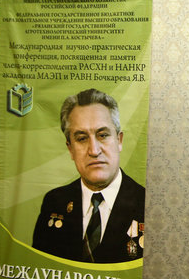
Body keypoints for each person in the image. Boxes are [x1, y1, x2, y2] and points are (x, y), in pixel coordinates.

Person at [33, 88, 145, 263]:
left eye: (103, 135)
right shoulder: (54, 203)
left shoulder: (145, 203)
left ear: (119, 140)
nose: (94, 150)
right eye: (82, 138)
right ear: (70, 149)